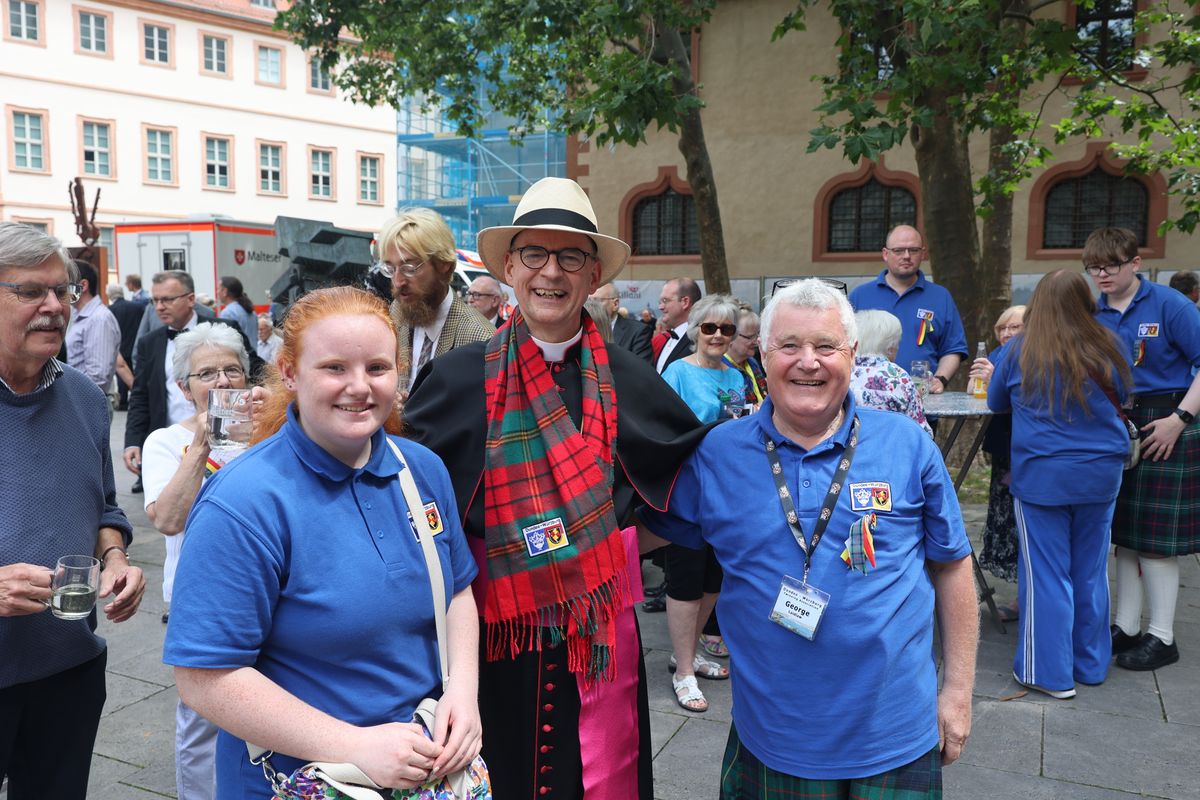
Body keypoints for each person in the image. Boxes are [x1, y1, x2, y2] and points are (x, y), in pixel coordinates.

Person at [404, 177, 706, 800]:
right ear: (510, 266)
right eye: (535, 254)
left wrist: (613, 551)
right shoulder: (456, 378)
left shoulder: (632, 378)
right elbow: (408, 503)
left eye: (570, 256)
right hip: (490, 635)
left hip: (597, 636)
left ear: (592, 273)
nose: (552, 272)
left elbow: (689, 487)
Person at [638, 278, 977, 798]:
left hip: (894, 734)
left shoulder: (907, 444)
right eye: (789, 346)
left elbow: (953, 565)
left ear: (853, 354)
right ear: (762, 355)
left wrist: (957, 691)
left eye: (825, 346)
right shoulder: (717, 454)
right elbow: (634, 541)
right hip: (774, 738)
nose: (807, 361)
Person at [163, 287, 480, 798]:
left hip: (421, 771)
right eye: (334, 368)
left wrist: (463, 695)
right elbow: (205, 676)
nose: (359, 387)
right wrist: (353, 744)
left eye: (377, 368)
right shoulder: (244, 501)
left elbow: (457, 591)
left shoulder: (420, 469)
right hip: (298, 779)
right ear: (288, 372)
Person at [0, 221, 146, 800]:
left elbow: (104, 505)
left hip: (69, 671)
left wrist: (115, 558)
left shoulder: (86, 397)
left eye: (65, 291)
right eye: (31, 291)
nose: (55, 306)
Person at [988, 271, 1131, 697]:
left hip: (1043, 476)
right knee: (1090, 570)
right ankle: (1089, 664)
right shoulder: (1109, 343)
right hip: (1101, 473)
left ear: (1038, 304)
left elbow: (996, 402)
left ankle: (1046, 673)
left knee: (1046, 574)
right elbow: (1122, 396)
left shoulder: (1018, 351)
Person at [142, 322, 252, 800]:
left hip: (268, 590)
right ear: (185, 388)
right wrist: (206, 442)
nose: (223, 382)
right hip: (202, 599)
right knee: (203, 720)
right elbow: (166, 519)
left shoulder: (270, 431)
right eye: (208, 374)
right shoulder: (165, 443)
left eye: (233, 370)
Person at [1087, 227, 1200, 672]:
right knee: (1126, 536)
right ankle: (1127, 627)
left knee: (1155, 541)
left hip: (1168, 418)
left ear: (1135, 263)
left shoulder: (1170, 305)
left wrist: (1181, 420)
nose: (1102, 275)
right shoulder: (1092, 309)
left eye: (1110, 267)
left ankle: (1162, 636)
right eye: (1094, 268)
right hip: (1117, 422)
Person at [658, 294, 745, 712]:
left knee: (714, 579)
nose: (717, 336)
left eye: (726, 329)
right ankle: (683, 674)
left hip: (727, 489)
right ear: (695, 330)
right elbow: (663, 429)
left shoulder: (736, 375)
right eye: (709, 327)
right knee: (687, 578)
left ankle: (687, 653)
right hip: (688, 489)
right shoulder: (677, 372)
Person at [124, 271, 259, 494]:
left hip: (227, 434)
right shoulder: (150, 342)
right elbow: (140, 395)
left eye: (167, 299)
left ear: (190, 299)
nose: (159, 307)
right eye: (155, 300)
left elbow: (254, 369)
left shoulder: (225, 329)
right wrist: (133, 441)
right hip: (175, 439)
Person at [377, 208, 494, 390]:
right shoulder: (397, 311)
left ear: (444, 265)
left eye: (409, 268)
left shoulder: (480, 338)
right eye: (391, 269)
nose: (398, 281)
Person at [849, 224, 967, 393]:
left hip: (923, 399)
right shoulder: (860, 296)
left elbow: (953, 349)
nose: (906, 256)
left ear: (923, 254)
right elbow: (843, 346)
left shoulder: (940, 297)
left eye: (913, 250)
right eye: (898, 250)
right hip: (869, 399)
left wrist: (940, 379)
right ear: (885, 254)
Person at [968, 305, 1026, 607]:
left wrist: (994, 379)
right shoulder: (996, 356)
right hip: (1005, 450)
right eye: (1002, 328)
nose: (1007, 333)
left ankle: (1026, 599)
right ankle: (1021, 597)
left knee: (1021, 525)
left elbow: (1017, 399)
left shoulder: (1028, 357)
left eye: (1015, 327)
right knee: (1006, 520)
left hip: (1025, 452)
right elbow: (977, 392)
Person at [849, 309, 932, 435]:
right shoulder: (898, 377)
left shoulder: (841, 370)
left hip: (846, 451)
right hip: (888, 450)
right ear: (890, 347)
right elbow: (921, 432)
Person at [65, 259, 121, 407]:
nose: (60, 290)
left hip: (84, 405)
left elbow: (98, 377)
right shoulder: (77, 315)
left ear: (83, 285)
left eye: (64, 285)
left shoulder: (99, 319)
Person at [592, 283, 653, 361]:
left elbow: (642, 370)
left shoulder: (637, 331)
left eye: (597, 300)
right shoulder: (580, 328)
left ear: (615, 304)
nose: (591, 305)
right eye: (588, 301)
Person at [109, 282, 145, 410]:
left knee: (121, 375)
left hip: (121, 346)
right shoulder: (136, 307)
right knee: (135, 371)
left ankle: (123, 401)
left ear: (111, 295)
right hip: (134, 344)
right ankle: (137, 396)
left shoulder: (110, 310)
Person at [723, 306, 767, 406]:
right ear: (730, 337)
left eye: (757, 335)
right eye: (750, 337)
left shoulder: (752, 362)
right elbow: (729, 409)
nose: (756, 341)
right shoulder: (722, 369)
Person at [656, 277, 702, 373]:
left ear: (685, 302)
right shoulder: (670, 338)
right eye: (660, 302)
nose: (660, 307)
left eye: (665, 300)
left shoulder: (699, 340)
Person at [217, 276, 256, 341]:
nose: (217, 292)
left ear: (225, 291)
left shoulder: (228, 313)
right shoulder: (251, 311)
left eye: (218, 289)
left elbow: (225, 340)